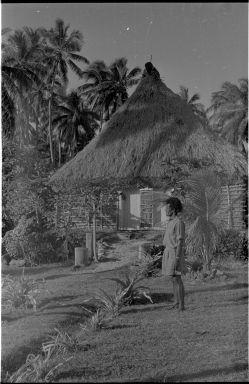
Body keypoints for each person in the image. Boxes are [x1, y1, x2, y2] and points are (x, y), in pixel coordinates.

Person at [162, 197, 185, 311]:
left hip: (175, 253)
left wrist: (177, 257)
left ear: (173, 209)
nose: (165, 210)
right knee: (173, 278)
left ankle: (181, 305)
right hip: (168, 252)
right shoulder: (170, 222)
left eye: (167, 208)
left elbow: (180, 242)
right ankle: (176, 302)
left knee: (177, 278)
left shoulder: (179, 223)